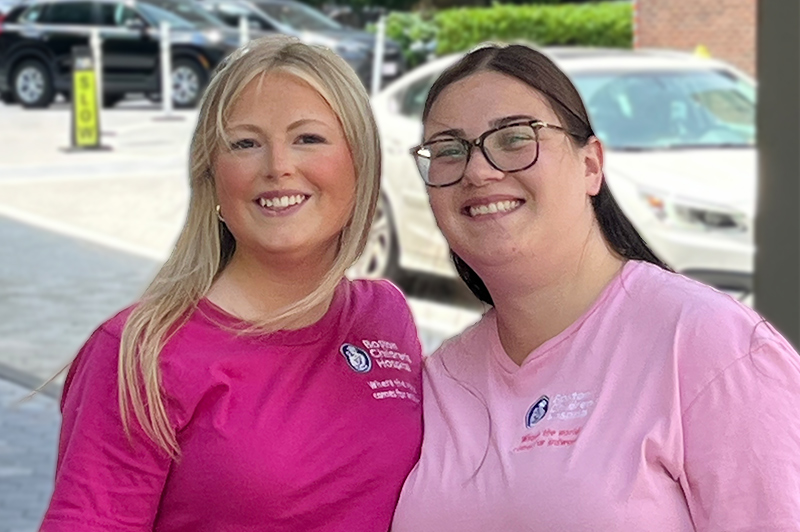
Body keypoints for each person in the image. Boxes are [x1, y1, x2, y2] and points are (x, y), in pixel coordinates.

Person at [391, 43, 800, 531]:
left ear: (591, 166)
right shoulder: (440, 381)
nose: (479, 170)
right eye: (449, 149)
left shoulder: (708, 345)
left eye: (515, 137)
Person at [40, 35, 423, 532]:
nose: (278, 166)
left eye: (308, 138)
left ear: (361, 162)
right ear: (213, 175)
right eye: (245, 143)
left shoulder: (385, 315)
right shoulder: (140, 353)